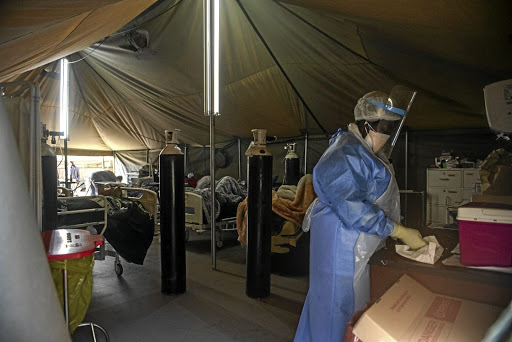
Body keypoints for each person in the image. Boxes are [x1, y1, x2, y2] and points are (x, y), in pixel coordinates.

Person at [294, 87, 426, 342]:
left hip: (353, 241)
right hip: (341, 240)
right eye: (384, 128)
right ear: (366, 125)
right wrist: (399, 231)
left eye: (392, 128)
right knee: (337, 306)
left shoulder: (360, 149)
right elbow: (352, 208)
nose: (388, 136)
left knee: (344, 304)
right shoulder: (346, 152)